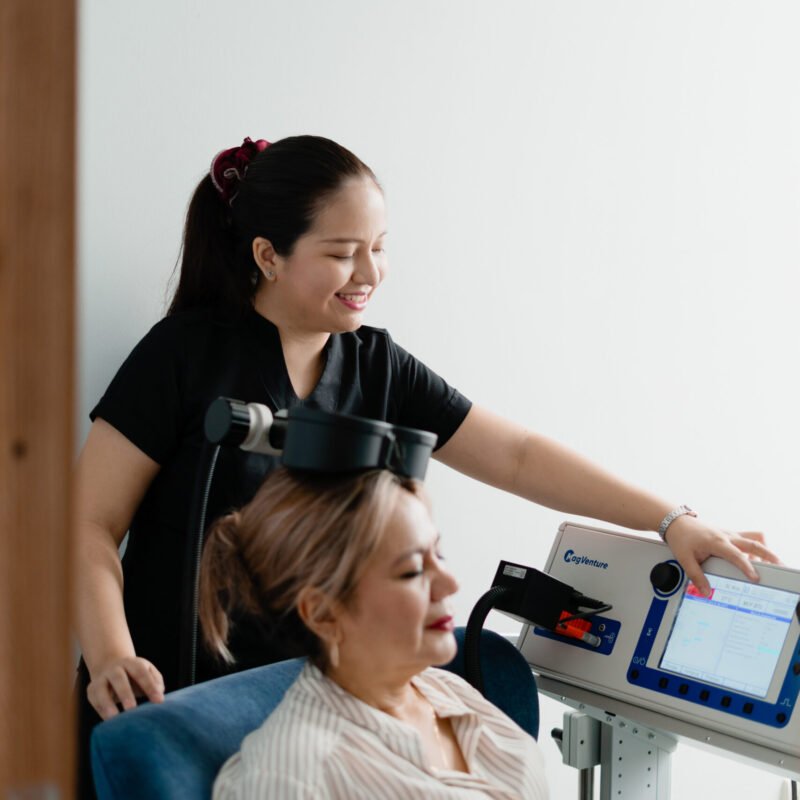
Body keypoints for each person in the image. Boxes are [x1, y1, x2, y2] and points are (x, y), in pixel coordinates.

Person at [74, 134, 776, 794]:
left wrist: (670, 519)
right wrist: (112, 656)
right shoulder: (183, 356)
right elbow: (89, 524)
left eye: (379, 247)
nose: (370, 273)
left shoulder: (375, 364)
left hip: (317, 709)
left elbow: (516, 455)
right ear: (268, 255)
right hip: (167, 704)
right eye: (343, 252)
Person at [200, 467, 550, 799]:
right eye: (413, 571)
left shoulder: (449, 692)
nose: (450, 583)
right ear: (322, 613)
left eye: (438, 554)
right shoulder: (293, 778)